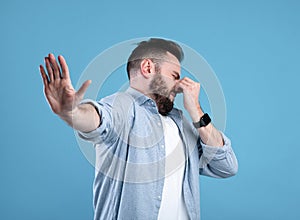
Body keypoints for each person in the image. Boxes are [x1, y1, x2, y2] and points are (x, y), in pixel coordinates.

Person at [39, 38, 238, 220]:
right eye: (174, 75)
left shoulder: (181, 122)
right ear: (148, 67)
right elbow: (98, 119)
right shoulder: (122, 106)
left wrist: (195, 111)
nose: (179, 85)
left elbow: (227, 166)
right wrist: (71, 112)